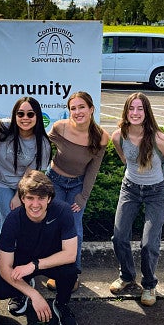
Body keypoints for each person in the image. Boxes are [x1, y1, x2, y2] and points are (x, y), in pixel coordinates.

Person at [110, 92, 164, 306]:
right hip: (129, 188)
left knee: (148, 243)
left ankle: (149, 285)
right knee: (119, 237)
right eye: (131, 108)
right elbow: (124, 158)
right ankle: (127, 277)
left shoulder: (159, 139)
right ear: (126, 111)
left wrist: (154, 180)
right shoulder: (118, 135)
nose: (135, 113)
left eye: (140, 108)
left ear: (147, 112)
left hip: (156, 192)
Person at [0, 170, 79, 325]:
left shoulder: (63, 211)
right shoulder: (12, 220)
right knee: (0, 289)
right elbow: (4, 268)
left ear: (49, 198)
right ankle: (22, 292)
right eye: (30, 198)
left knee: (70, 270)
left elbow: (70, 254)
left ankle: (61, 304)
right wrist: (34, 295)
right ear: (22, 199)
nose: (35, 204)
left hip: (49, 260)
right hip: (22, 264)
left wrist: (34, 265)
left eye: (41, 198)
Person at [45, 91, 109, 291]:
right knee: (53, 227)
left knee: (74, 228)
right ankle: (55, 271)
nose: (77, 111)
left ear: (91, 109)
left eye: (82, 107)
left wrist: (83, 197)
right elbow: (42, 149)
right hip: (53, 181)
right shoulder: (59, 128)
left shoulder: (101, 137)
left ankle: (72, 273)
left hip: (77, 185)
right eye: (73, 108)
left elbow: (93, 170)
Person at [0, 96, 51, 241]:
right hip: (1, 182)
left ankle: (19, 258)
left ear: (37, 116)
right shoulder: (2, 128)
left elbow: (31, 174)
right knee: (8, 219)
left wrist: (19, 195)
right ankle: (3, 260)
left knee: (20, 221)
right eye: (20, 114)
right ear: (14, 115)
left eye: (30, 114)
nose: (25, 118)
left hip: (24, 184)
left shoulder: (42, 143)